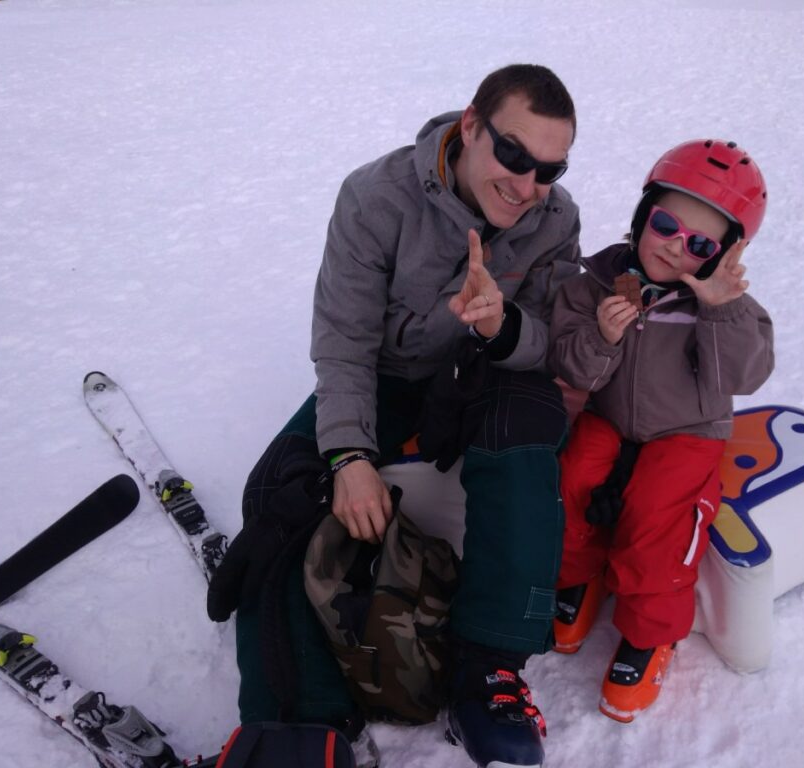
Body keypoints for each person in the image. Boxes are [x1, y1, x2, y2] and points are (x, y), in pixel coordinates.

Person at [215, 64, 581, 768]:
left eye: (549, 169)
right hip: (391, 376)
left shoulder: (556, 220)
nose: (527, 184)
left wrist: (502, 325)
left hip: (485, 375)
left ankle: (489, 672)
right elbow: (344, 343)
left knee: (529, 417)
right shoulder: (376, 197)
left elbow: (551, 343)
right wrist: (350, 458)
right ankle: (302, 722)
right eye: (513, 154)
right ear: (470, 126)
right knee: (279, 488)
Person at [547, 139, 774, 723]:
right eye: (666, 225)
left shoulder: (726, 305)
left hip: (687, 430)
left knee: (657, 516)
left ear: (723, 255)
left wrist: (720, 311)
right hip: (609, 417)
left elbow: (743, 377)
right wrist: (602, 336)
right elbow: (571, 368)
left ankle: (650, 635)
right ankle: (578, 578)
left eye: (700, 245)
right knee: (571, 479)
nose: (675, 247)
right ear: (643, 215)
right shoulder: (594, 285)